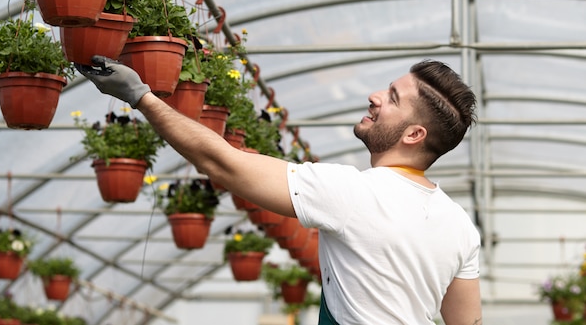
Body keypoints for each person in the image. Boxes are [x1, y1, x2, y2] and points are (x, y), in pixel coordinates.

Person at [77, 57, 482, 325]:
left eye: (392, 98)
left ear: (414, 134)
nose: (375, 97)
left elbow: (221, 162)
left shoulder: (352, 192)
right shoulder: (459, 225)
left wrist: (141, 97)